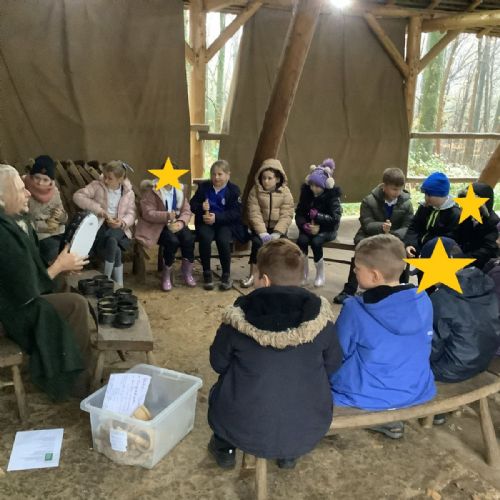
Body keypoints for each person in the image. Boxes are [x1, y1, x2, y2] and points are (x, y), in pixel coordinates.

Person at [208, 239, 342, 469]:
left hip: (243, 427)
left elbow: (218, 363)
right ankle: (288, 454)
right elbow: (333, 364)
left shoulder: (238, 319)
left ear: (265, 280)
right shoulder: (320, 319)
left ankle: (225, 447)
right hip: (306, 426)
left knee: (220, 389)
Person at [0, 164, 93, 401]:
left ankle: (64, 358)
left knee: (63, 283)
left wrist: (60, 267)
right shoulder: (3, 234)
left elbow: (30, 269)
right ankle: (76, 383)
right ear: (1, 198)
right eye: (20, 189)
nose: (28, 193)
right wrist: (58, 265)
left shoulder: (14, 221)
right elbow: (26, 289)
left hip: (17, 299)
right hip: (11, 312)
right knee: (76, 305)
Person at [330, 234, 436, 439]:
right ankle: (389, 418)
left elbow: (337, 354)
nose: (354, 271)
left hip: (367, 394)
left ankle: (380, 416)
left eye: (357, 268)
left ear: (375, 275)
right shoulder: (423, 298)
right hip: (415, 387)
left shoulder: (354, 309)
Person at [422, 237, 500, 383]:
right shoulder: (483, 282)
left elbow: (432, 349)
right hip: (483, 361)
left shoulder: (440, 299)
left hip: (452, 370)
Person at [334, 167, 413, 304]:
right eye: (394, 189)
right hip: (370, 235)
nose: (398, 192)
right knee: (361, 254)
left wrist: (392, 235)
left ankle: (401, 289)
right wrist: (381, 227)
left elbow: (408, 226)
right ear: (384, 186)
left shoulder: (407, 203)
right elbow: (366, 223)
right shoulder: (369, 201)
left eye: (400, 189)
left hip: (395, 237)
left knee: (402, 253)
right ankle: (349, 289)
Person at [73, 160, 136, 286]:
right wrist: (99, 211)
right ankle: (118, 283)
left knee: (112, 238)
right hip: (100, 225)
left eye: (110, 178)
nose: (106, 180)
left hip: (119, 228)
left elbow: (132, 213)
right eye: (105, 176)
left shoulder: (128, 193)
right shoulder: (97, 186)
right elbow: (77, 196)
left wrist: (122, 222)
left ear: (121, 179)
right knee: (114, 247)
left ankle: (106, 278)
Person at [190, 160, 246, 291]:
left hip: (225, 223)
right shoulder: (204, 187)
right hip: (205, 222)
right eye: (213, 174)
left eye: (220, 174)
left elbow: (236, 213)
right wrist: (201, 207)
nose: (216, 177)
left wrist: (217, 218)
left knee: (223, 240)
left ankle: (226, 274)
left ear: (228, 175)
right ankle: (207, 273)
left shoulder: (233, 190)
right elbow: (192, 204)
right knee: (205, 238)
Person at [241, 158, 294, 288]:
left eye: (270, 178)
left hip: (277, 229)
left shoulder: (285, 192)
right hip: (261, 229)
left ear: (277, 179)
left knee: (282, 247)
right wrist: (262, 232)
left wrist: (277, 232)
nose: (266, 181)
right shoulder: (255, 191)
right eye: (264, 178)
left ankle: (278, 277)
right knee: (257, 245)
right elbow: (254, 213)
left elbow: (287, 214)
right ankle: (253, 275)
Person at [135, 180, 196, 291]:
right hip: (157, 226)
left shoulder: (179, 191)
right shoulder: (152, 191)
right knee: (172, 241)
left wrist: (181, 222)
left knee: (188, 239)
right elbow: (148, 213)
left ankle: (187, 272)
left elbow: (186, 211)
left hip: (177, 224)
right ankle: (166, 275)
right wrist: (166, 215)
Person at [295, 159, 342, 287]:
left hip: (328, 229)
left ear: (326, 185)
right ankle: (303, 273)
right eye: (311, 185)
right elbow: (299, 213)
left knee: (316, 242)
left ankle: (320, 274)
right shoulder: (306, 194)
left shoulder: (332, 197)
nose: (313, 188)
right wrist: (303, 224)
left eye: (317, 186)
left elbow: (335, 218)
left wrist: (318, 217)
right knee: (302, 241)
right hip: (309, 228)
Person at [23, 155, 68, 264]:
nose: (40, 183)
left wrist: (61, 216)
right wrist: (45, 227)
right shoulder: (24, 191)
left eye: (45, 180)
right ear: (31, 176)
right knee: (55, 255)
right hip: (41, 236)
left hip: (59, 232)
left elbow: (64, 218)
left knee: (72, 251)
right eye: (37, 177)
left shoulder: (54, 192)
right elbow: (24, 221)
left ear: (51, 181)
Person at [404, 172, 460, 259]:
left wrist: (426, 252)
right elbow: (414, 226)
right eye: (425, 194)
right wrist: (410, 244)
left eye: (429, 195)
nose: (426, 198)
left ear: (441, 195)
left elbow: (447, 240)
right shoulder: (425, 207)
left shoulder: (454, 214)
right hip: (416, 249)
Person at [454, 182, 499, 270]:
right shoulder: (466, 217)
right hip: (464, 258)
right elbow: (456, 235)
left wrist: (464, 258)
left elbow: (489, 249)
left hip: (483, 265)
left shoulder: (493, 223)